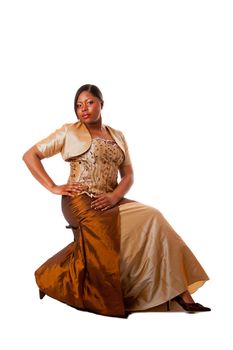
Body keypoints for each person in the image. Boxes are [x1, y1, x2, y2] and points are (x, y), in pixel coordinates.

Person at [23, 84, 211, 318]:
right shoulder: (68, 131)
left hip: (112, 199)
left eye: (89, 102)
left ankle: (181, 293)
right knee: (105, 236)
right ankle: (50, 276)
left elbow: (128, 175)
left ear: (102, 103)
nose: (83, 109)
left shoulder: (118, 135)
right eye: (78, 105)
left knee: (153, 217)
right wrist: (53, 187)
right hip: (80, 200)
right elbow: (31, 155)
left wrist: (114, 196)